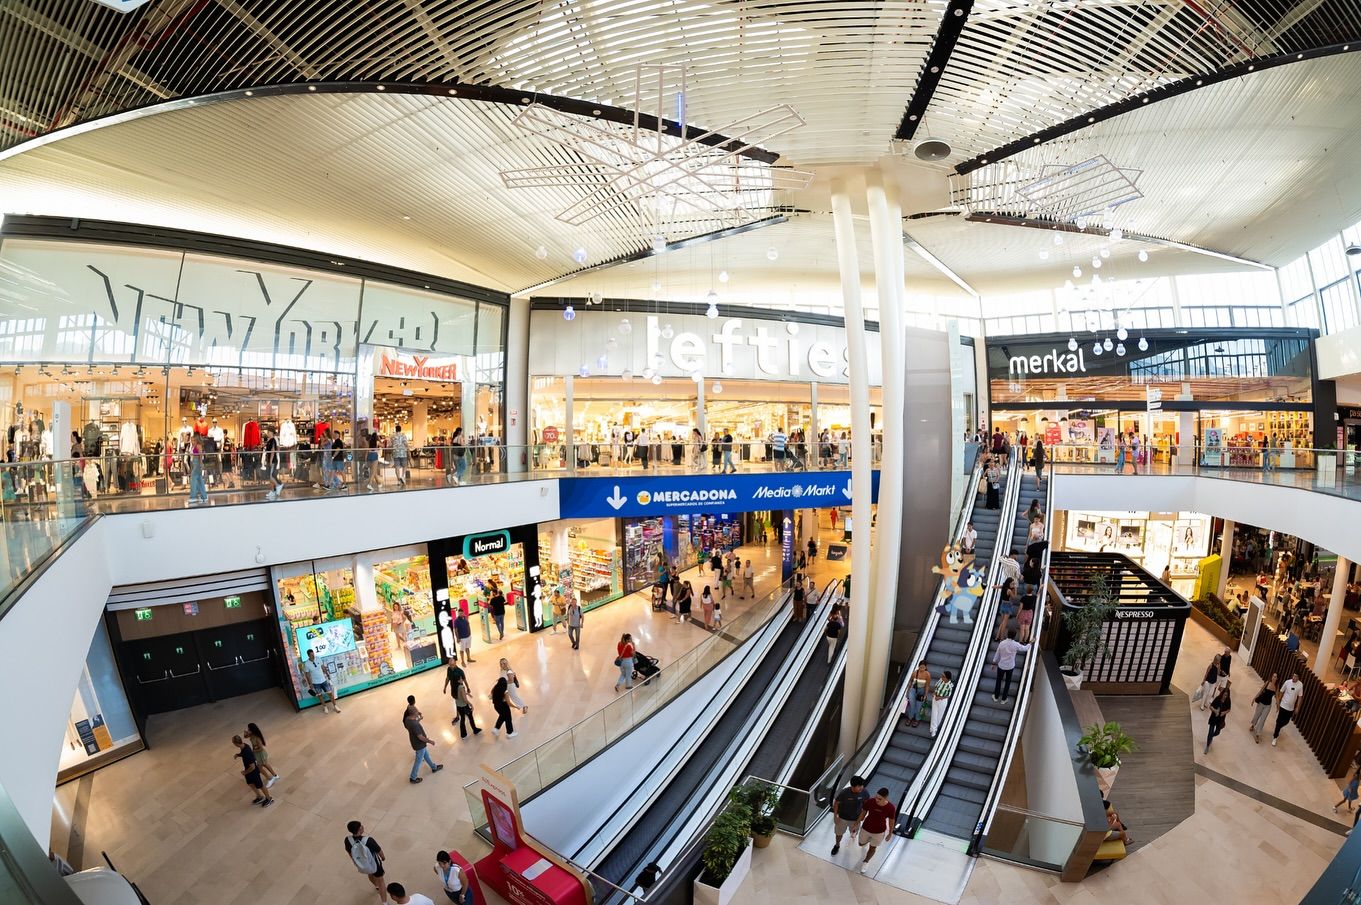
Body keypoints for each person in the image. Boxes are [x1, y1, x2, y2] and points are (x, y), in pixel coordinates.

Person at [345, 821, 388, 903]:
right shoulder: (369, 840)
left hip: (363, 865)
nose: (362, 826)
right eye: (361, 826)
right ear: (360, 829)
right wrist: (383, 858)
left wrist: (356, 862)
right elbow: (379, 851)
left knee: (370, 873)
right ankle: (384, 902)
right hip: (375, 864)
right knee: (381, 882)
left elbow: (349, 852)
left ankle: (376, 886)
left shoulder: (347, 840)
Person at [857, 788, 896, 875]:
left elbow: (891, 821)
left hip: (879, 832)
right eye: (876, 797)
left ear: (886, 798)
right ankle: (866, 841)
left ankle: (866, 861)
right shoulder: (870, 801)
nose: (877, 800)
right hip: (866, 828)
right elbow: (863, 812)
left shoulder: (891, 808)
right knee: (860, 844)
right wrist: (857, 823)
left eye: (879, 799)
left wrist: (890, 833)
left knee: (873, 847)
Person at [403, 696, 442, 783]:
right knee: (418, 761)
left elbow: (413, 723)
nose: (418, 713)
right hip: (419, 744)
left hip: (416, 742)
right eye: (416, 712)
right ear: (413, 714)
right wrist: (430, 741)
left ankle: (434, 767)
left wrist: (418, 719)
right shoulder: (415, 724)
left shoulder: (407, 719)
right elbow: (420, 737)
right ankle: (413, 777)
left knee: (426, 755)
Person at [830, 776, 869, 856]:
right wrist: (835, 817)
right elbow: (836, 803)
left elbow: (866, 804)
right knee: (838, 833)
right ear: (853, 786)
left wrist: (863, 815)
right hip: (842, 818)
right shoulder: (844, 793)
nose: (861, 787)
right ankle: (837, 845)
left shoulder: (864, 792)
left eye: (862, 785)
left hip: (856, 819)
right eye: (859, 786)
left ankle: (852, 835)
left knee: (854, 833)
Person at [232, 734, 274, 807]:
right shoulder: (244, 746)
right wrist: (238, 755)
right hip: (248, 770)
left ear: (236, 744)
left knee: (260, 785)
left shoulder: (247, 752)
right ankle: (260, 797)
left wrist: (245, 772)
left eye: (233, 742)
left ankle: (269, 799)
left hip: (253, 772)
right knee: (250, 783)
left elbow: (252, 767)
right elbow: (243, 753)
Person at [444, 661, 481, 739]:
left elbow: (460, 694)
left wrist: (467, 691)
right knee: (470, 717)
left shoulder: (457, 687)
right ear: (459, 680)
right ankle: (475, 729)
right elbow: (464, 699)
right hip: (464, 705)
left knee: (463, 718)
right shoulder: (461, 687)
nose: (451, 667)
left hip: (459, 705)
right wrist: (471, 704)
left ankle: (463, 735)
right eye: (450, 665)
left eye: (452, 665)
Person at [992, 630, 1031, 703]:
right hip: (1010, 666)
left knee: (998, 681)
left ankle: (996, 697)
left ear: (1007, 634)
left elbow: (997, 653)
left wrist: (994, 663)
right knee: (1008, 682)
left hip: (1001, 665)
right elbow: (1025, 648)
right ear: (1014, 636)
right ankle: (1003, 699)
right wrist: (1030, 643)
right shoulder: (1015, 644)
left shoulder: (1002, 643)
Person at [301, 648, 341, 712]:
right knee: (320, 696)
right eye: (311, 655)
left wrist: (327, 674)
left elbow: (323, 667)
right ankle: (325, 707)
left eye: (313, 654)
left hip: (323, 680)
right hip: (315, 683)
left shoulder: (318, 658)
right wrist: (310, 684)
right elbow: (307, 675)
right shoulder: (307, 664)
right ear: (308, 655)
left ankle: (335, 706)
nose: (313, 656)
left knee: (330, 693)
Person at [1273, 672, 1304, 746]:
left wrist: (1297, 707)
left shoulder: (1300, 685)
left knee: (1286, 722)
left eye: (1295, 676)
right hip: (1283, 705)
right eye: (1293, 676)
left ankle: (1278, 726)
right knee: (1279, 721)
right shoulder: (1287, 682)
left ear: (1298, 678)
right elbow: (1281, 692)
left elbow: (1300, 697)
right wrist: (1278, 702)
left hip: (1290, 708)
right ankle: (1275, 737)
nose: (1293, 677)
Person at [244, 722, 279, 787]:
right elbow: (245, 737)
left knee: (260, 768)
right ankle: (275, 775)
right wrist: (245, 733)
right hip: (257, 754)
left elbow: (261, 748)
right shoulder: (252, 735)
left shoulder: (257, 738)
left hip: (260, 754)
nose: (248, 730)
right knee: (265, 764)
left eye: (249, 729)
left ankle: (270, 779)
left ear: (252, 730)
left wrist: (252, 751)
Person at [1205, 681, 1231, 754]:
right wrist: (1215, 711)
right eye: (1224, 695)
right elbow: (1211, 706)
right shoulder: (1217, 698)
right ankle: (1207, 746)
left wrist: (1224, 712)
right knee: (1210, 732)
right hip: (1213, 718)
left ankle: (1211, 737)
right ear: (1222, 694)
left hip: (1220, 720)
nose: (1225, 696)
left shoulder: (1228, 700)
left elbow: (1229, 709)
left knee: (1217, 732)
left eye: (1226, 695)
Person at [905, 660, 931, 728]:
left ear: (926, 667)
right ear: (919, 666)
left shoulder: (927, 675)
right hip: (913, 690)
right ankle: (910, 718)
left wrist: (925, 695)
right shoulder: (914, 673)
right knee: (912, 705)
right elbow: (910, 682)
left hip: (921, 691)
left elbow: (927, 686)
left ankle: (917, 719)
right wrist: (908, 691)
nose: (922, 668)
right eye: (921, 667)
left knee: (919, 706)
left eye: (923, 667)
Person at [930, 670, 954, 739]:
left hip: (942, 701)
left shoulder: (950, 685)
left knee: (939, 716)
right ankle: (933, 730)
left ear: (947, 678)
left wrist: (940, 698)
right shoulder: (940, 680)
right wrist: (934, 693)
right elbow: (936, 686)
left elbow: (948, 695)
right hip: (935, 698)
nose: (942, 677)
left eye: (943, 676)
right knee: (934, 714)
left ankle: (935, 728)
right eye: (942, 676)